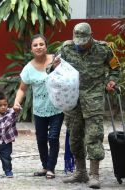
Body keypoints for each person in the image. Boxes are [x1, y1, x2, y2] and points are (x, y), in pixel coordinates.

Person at [51, 22, 120, 189]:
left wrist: (111, 81)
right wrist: (54, 67)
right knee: (74, 138)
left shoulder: (104, 49)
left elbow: (115, 68)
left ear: (91, 35)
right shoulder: (66, 48)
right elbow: (50, 70)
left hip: (94, 98)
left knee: (94, 136)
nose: (80, 44)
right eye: (78, 40)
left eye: (84, 40)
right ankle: (80, 172)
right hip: (72, 100)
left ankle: (94, 175)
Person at [13, 34, 64, 179]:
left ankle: (51, 168)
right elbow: (22, 89)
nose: (39, 47)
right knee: (41, 139)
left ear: (46, 46)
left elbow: (67, 77)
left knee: (53, 138)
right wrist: (17, 102)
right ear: (31, 49)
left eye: (41, 44)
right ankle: (44, 166)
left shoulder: (56, 60)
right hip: (39, 110)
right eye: (35, 45)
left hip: (56, 108)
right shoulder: (28, 68)